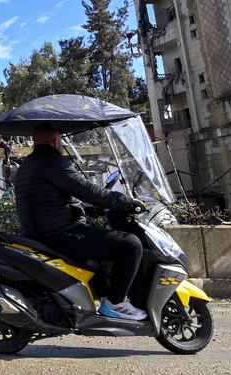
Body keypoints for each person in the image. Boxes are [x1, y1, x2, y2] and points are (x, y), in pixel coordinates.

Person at [14, 122, 148, 320]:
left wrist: (90, 211)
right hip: (60, 233)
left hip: (41, 232)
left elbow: (48, 203)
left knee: (96, 255)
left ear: (34, 142)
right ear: (56, 141)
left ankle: (102, 301)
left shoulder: (28, 166)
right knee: (131, 245)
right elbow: (88, 190)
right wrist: (127, 202)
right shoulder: (53, 163)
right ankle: (116, 303)